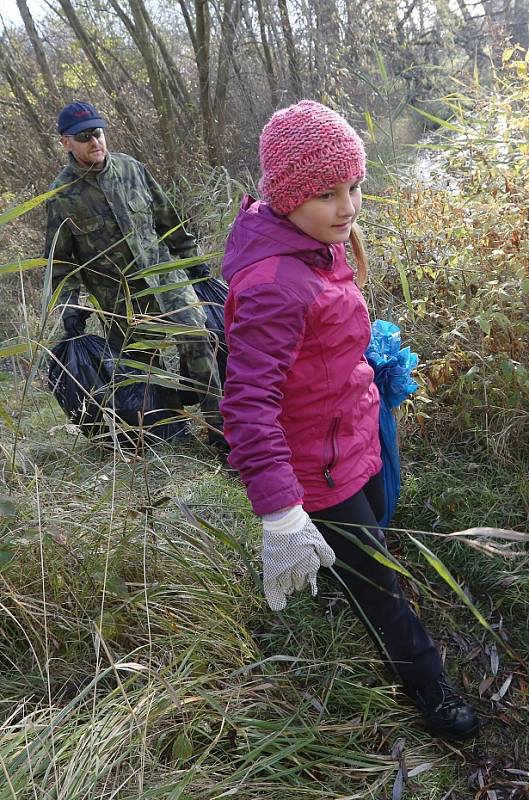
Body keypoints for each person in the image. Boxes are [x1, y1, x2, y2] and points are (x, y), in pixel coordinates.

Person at [220, 100, 479, 740]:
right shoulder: (274, 282)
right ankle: (429, 685)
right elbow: (247, 404)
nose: (349, 205)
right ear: (285, 197)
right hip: (316, 467)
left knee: (378, 525)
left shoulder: (318, 246)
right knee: (382, 585)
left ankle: (336, 577)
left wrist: (369, 365)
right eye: (328, 193)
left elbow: (318, 344)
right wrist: (280, 511)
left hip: (355, 434)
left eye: (355, 185)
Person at [45, 100, 224, 445]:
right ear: (66, 142)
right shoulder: (62, 198)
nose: (95, 141)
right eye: (84, 137)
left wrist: (193, 262)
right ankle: (174, 429)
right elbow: (62, 265)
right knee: (143, 368)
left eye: (98, 133)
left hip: (164, 277)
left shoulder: (131, 170)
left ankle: (220, 426)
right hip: (120, 299)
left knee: (197, 335)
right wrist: (71, 312)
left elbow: (169, 221)